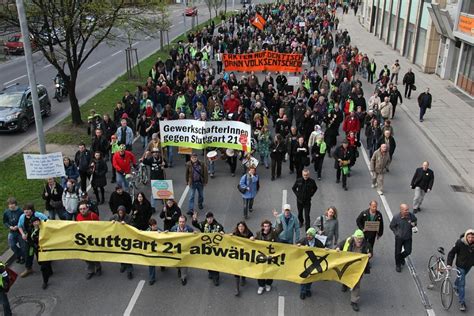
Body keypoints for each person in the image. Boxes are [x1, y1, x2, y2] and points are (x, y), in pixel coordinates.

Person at [336, 229, 372, 312]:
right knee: (345, 277)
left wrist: (370, 254)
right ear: (354, 238)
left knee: (356, 284)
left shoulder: (366, 245)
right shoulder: (348, 241)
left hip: (358, 269)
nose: (359, 241)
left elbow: (370, 252)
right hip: (347, 266)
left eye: (361, 239)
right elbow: (340, 245)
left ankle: (354, 301)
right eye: (357, 239)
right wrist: (337, 248)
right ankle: (345, 284)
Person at [192, 212, 224, 286]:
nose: (209, 220)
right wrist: (194, 219)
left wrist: (222, 233)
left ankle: (216, 278)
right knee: (208, 261)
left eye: (210, 218)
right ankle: (210, 272)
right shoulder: (204, 224)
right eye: (208, 218)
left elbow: (222, 233)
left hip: (215, 247)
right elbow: (196, 225)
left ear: (213, 218)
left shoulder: (218, 226)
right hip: (206, 247)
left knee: (215, 262)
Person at [252, 218, 283, 294]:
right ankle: (261, 286)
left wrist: (277, 218)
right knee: (260, 271)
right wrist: (252, 238)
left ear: (270, 226)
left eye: (268, 226)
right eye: (265, 226)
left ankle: (268, 284)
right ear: (262, 227)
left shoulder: (274, 232)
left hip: (271, 256)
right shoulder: (259, 233)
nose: (267, 228)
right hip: (261, 256)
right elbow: (256, 240)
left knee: (270, 271)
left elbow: (280, 228)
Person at [17, 203, 48, 277]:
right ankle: (28, 268)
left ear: (32, 210)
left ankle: (46, 266)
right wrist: (23, 234)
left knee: (40, 254)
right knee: (28, 254)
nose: (26, 212)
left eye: (28, 210)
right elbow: (19, 226)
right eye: (24, 210)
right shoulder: (22, 217)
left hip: (39, 239)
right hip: (29, 240)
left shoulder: (39, 215)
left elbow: (48, 222)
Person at [447, 229, 474, 312]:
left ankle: (455, 285)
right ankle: (462, 302)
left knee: (461, 277)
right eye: (469, 237)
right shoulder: (459, 243)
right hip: (460, 266)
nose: (470, 239)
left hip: (469, 265)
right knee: (462, 283)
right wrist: (449, 264)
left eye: (472, 237)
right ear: (466, 236)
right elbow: (451, 253)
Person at [297, 227, 325, 299]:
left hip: (313, 263)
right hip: (304, 263)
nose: (308, 236)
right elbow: (295, 247)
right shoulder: (303, 240)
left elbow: (323, 250)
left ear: (314, 236)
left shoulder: (318, 242)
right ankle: (303, 291)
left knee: (311, 277)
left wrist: (326, 249)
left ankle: (308, 289)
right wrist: (298, 246)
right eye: (307, 234)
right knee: (304, 277)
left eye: (310, 235)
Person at [76, 201, 101, 279]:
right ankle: (90, 270)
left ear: (87, 208)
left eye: (84, 208)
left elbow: (100, 226)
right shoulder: (78, 217)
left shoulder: (93, 216)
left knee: (94, 255)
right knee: (86, 256)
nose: (82, 210)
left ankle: (98, 267)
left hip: (93, 240)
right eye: (80, 209)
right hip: (84, 240)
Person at [390, 204, 417, 273]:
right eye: (406, 210)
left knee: (408, 251)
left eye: (408, 209)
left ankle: (401, 258)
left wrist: (414, 224)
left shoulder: (410, 215)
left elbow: (415, 220)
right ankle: (398, 265)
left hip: (408, 237)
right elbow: (392, 226)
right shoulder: (396, 217)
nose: (407, 211)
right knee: (397, 252)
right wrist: (397, 233)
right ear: (401, 210)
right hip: (399, 238)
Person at [29, 216, 53, 289]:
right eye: (34, 222)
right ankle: (50, 271)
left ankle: (45, 282)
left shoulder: (44, 229)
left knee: (44, 267)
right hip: (38, 250)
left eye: (37, 221)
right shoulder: (31, 230)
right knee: (43, 263)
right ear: (32, 223)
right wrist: (34, 245)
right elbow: (29, 240)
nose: (36, 223)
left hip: (46, 249)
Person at [110, 206, 134, 279]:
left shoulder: (129, 217)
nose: (120, 214)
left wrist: (126, 224)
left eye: (122, 212)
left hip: (127, 239)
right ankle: (123, 265)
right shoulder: (114, 216)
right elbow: (108, 223)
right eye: (119, 212)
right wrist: (111, 222)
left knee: (127, 254)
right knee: (120, 253)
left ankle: (129, 270)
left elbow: (133, 226)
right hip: (118, 238)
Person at [169, 215, 194, 286]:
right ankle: (179, 268)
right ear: (178, 222)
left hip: (185, 250)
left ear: (185, 222)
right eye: (180, 222)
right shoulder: (173, 229)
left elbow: (194, 237)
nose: (181, 223)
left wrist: (195, 234)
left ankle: (183, 277)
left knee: (184, 263)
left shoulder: (189, 229)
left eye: (183, 222)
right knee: (177, 262)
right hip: (176, 249)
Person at [231, 221, 254, 296]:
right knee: (237, 271)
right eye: (239, 226)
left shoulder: (248, 233)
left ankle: (243, 278)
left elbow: (253, 239)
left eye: (242, 226)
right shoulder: (235, 233)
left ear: (245, 227)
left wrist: (252, 238)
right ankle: (237, 289)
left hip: (245, 255)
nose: (241, 228)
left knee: (243, 268)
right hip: (237, 255)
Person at [3, 197, 25, 264]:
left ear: (15, 204)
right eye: (9, 204)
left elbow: (23, 220)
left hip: (20, 232)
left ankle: (23, 257)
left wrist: (18, 226)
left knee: (23, 246)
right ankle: (19, 255)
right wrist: (9, 226)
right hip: (12, 231)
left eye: (12, 204)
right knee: (12, 245)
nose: (11, 206)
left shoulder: (20, 211)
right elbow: (5, 221)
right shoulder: (6, 212)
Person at [147, 218, 161, 285]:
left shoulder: (159, 230)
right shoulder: (147, 232)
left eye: (155, 225)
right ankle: (152, 278)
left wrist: (162, 234)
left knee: (162, 260)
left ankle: (163, 266)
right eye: (153, 225)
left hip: (159, 250)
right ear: (150, 226)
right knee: (151, 264)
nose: (155, 226)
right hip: (151, 251)